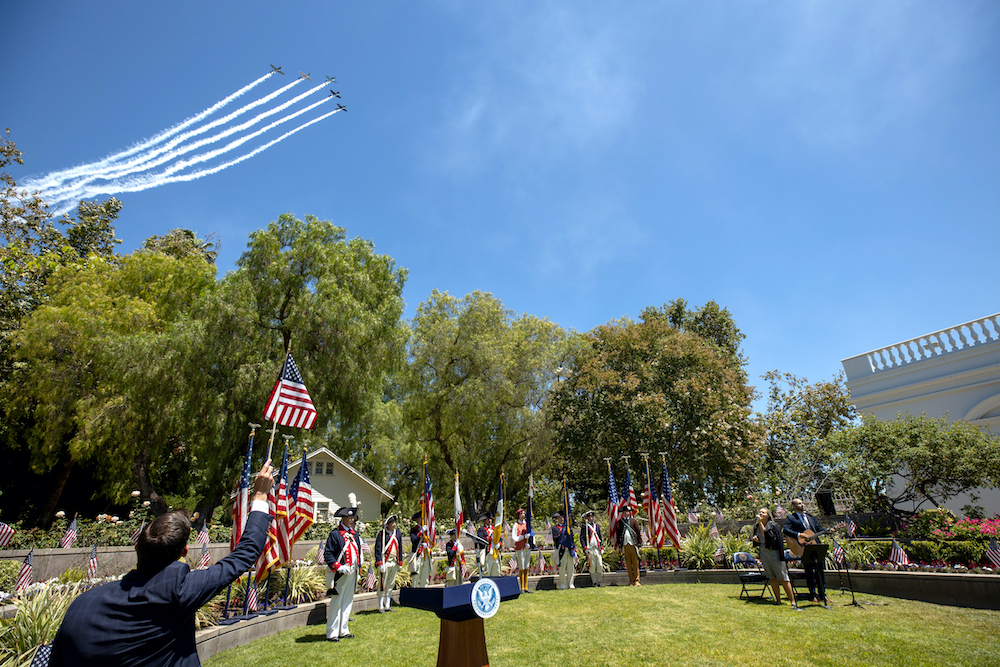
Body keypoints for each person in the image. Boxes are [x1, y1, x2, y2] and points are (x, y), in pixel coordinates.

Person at [49, 459, 274, 666]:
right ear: (184, 551)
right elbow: (245, 554)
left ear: (138, 547)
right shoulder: (178, 592)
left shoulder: (82, 604)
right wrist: (260, 496)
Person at [323, 505, 363, 641]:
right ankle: (332, 632)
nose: (352, 520)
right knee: (336, 603)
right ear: (343, 519)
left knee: (347, 601)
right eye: (350, 518)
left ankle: (344, 629)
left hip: (352, 572)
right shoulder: (335, 534)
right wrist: (338, 567)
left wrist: (358, 570)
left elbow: (358, 553)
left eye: (353, 518)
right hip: (340, 574)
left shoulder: (354, 534)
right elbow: (328, 554)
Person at [782, 498, 829, 607]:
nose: (802, 505)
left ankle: (823, 594)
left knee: (820, 570)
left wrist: (828, 530)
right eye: (799, 503)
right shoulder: (791, 518)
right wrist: (800, 535)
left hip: (815, 545)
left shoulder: (810, 517)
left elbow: (818, 529)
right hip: (803, 547)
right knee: (809, 571)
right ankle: (813, 594)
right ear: (794, 506)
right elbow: (786, 530)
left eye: (802, 503)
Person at [752, 508, 800, 610]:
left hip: (774, 553)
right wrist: (756, 540)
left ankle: (792, 601)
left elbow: (768, 536)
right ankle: (777, 599)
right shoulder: (756, 526)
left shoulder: (773, 525)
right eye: (759, 512)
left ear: (768, 515)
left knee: (783, 577)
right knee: (771, 576)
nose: (760, 513)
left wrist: (760, 523)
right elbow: (758, 538)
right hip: (764, 553)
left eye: (763, 512)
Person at [373, 514, 403, 613]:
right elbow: (378, 549)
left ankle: (387, 605)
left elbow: (400, 548)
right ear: (388, 524)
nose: (394, 525)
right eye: (392, 523)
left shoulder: (397, 534)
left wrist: (400, 562)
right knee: (382, 585)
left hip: (394, 563)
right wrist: (380, 563)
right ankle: (381, 606)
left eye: (395, 523)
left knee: (390, 584)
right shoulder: (382, 534)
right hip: (385, 563)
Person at [616, 506, 642, 586]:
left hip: (633, 544)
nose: (626, 513)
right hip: (625, 545)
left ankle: (636, 580)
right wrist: (620, 546)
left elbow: (638, 533)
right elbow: (618, 535)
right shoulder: (619, 523)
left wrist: (639, 545)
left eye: (628, 512)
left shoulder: (633, 521)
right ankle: (631, 580)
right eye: (625, 512)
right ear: (623, 513)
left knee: (634, 563)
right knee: (628, 564)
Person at [550, 512, 575, 590]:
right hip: (561, 550)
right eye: (560, 517)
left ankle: (571, 583)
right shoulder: (555, 528)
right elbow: (556, 538)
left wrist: (574, 550)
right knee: (562, 568)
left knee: (571, 568)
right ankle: (562, 584)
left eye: (563, 517)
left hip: (569, 549)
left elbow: (572, 539)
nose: (562, 519)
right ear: (557, 519)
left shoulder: (569, 527)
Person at [579, 510, 603, 587]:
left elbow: (600, 537)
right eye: (590, 517)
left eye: (593, 517)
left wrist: (601, 547)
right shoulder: (585, 526)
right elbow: (582, 538)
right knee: (592, 566)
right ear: (588, 518)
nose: (592, 518)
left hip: (597, 548)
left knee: (599, 565)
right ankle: (594, 582)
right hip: (590, 549)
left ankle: (599, 582)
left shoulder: (597, 526)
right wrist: (585, 548)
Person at [408, 512, 433, 588]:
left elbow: (432, 541)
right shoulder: (414, 530)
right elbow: (414, 540)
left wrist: (427, 546)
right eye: (421, 518)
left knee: (425, 579)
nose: (423, 520)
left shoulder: (428, 529)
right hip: (417, 555)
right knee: (415, 577)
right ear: (417, 519)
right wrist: (421, 531)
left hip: (426, 555)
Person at [512, 508, 532, 593]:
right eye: (521, 514)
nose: (523, 515)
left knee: (527, 566)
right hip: (520, 548)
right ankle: (522, 587)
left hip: (527, 547)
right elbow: (514, 537)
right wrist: (523, 537)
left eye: (524, 513)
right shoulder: (516, 525)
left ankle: (526, 586)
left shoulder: (527, 524)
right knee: (522, 566)